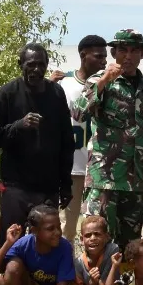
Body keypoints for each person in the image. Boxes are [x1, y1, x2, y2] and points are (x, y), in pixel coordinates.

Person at [77, 29, 143, 249]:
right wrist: (105, 80)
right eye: (123, 50)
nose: (128, 56)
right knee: (97, 242)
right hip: (104, 178)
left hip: (135, 180)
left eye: (134, 50)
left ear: (142, 54)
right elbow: (78, 112)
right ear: (113, 53)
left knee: (130, 247)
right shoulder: (99, 80)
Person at [0, 43, 75, 248]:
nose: (36, 69)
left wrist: (66, 184)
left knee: (47, 243)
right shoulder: (7, 93)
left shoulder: (56, 93)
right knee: (10, 243)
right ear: (20, 64)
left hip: (48, 186)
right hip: (16, 186)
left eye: (41, 64)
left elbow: (66, 140)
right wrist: (19, 126)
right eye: (31, 64)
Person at [51, 34, 106, 243]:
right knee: (68, 226)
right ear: (83, 55)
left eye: (105, 57)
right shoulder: (64, 83)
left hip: (98, 169)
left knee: (96, 227)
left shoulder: (107, 85)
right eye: (98, 56)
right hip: (72, 167)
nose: (103, 61)